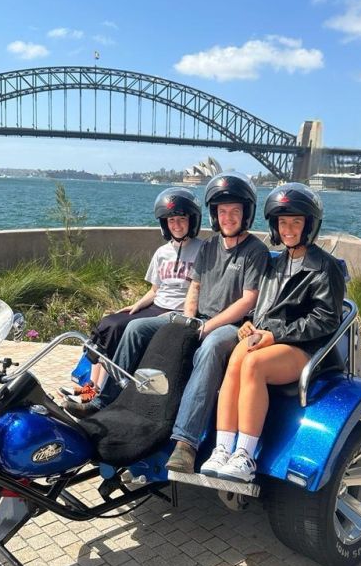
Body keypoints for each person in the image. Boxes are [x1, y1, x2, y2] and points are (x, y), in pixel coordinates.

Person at [74, 172, 269, 477]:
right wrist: (190, 320)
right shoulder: (209, 247)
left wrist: (206, 327)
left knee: (211, 348)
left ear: (246, 213)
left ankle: (185, 443)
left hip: (231, 324)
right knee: (137, 328)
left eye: (234, 211)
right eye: (222, 212)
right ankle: (106, 401)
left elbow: (248, 300)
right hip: (199, 317)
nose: (228, 217)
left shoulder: (255, 251)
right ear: (215, 216)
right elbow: (195, 289)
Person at [200, 182, 345, 483]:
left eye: (296, 222)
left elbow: (325, 320)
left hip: (305, 348)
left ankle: (246, 455)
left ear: (309, 225)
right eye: (283, 222)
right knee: (237, 359)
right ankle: (222, 448)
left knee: (254, 363)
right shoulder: (276, 263)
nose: (289, 229)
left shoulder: (324, 267)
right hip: (269, 337)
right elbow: (263, 307)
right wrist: (249, 324)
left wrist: (275, 334)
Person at [70, 188, 203, 399]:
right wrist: (136, 306)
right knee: (110, 324)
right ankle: (92, 386)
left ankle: (102, 391)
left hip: (176, 310)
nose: (176, 225)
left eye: (181, 219)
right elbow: (154, 291)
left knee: (128, 328)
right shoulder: (162, 252)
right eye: (170, 220)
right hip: (156, 306)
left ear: (192, 220)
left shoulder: (203, 250)